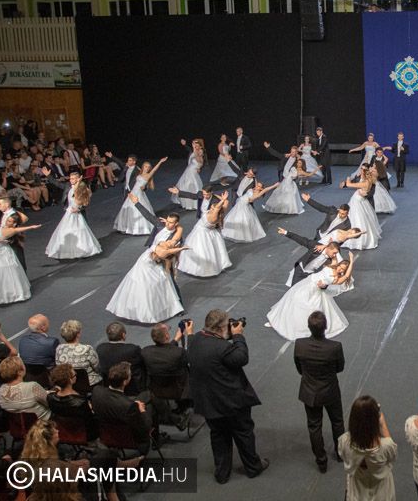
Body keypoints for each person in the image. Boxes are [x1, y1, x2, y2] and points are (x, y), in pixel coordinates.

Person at [188, 309, 268, 484]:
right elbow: (241, 358)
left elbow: (213, 347)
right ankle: (253, 467)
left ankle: (222, 473)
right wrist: (238, 336)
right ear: (219, 328)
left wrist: (229, 335)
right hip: (231, 402)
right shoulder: (223, 348)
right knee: (244, 434)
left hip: (208, 402)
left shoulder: (195, 340)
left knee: (219, 436)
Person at [106, 194, 186, 324]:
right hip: (149, 257)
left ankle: (178, 307)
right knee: (141, 283)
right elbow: (148, 216)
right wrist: (136, 203)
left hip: (164, 261)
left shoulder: (177, 236)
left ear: (176, 224)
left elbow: (174, 250)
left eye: (171, 222)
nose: (168, 224)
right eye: (167, 221)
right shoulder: (160, 226)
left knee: (170, 282)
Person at [294, 311, 346, 473]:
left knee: (314, 426)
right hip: (330, 391)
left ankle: (321, 461)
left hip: (310, 392)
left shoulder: (300, 345)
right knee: (337, 422)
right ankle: (340, 453)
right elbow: (340, 368)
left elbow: (299, 368)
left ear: (309, 327)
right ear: (326, 327)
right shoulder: (335, 347)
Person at [266, 253, 355, 340]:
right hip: (306, 284)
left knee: (308, 308)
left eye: (343, 270)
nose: (340, 270)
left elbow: (347, 276)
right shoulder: (333, 265)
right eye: (340, 267)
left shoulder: (337, 279)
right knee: (292, 299)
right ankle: (277, 321)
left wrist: (351, 261)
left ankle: (300, 329)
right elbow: (333, 254)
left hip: (315, 292)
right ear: (339, 265)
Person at [339, 395, 398, 501]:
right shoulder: (386, 446)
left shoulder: (344, 442)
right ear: (375, 421)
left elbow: (343, 455)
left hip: (356, 494)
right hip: (381, 494)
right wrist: (383, 424)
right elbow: (393, 454)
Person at [91, 361, 154, 456]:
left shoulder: (96, 391)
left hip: (105, 435)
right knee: (149, 405)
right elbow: (145, 427)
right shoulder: (130, 406)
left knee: (146, 395)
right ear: (125, 382)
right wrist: (142, 410)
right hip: (129, 439)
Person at [44, 170, 101, 259]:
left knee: (81, 230)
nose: (71, 180)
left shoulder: (82, 187)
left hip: (79, 212)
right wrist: (48, 176)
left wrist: (79, 209)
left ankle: (84, 249)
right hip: (69, 212)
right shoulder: (68, 186)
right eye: (70, 178)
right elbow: (57, 183)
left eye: (73, 178)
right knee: (66, 230)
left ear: (78, 179)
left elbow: (86, 201)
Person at [176, 191, 232, 278]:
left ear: (216, 210)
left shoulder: (213, 216)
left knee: (202, 251)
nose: (211, 209)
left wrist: (222, 200)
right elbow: (226, 203)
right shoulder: (221, 212)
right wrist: (222, 199)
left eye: (213, 209)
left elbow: (218, 207)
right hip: (209, 232)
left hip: (202, 234)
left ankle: (204, 270)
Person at [112, 157, 167, 235]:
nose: (147, 168)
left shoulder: (148, 175)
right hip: (132, 192)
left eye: (148, 167)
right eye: (145, 166)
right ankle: (126, 227)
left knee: (138, 209)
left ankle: (139, 229)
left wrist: (160, 162)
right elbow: (131, 166)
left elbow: (154, 170)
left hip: (139, 194)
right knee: (127, 208)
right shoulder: (139, 172)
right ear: (143, 167)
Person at [47, 363, 99, 441]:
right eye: (75, 375)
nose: (76, 376)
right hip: (84, 435)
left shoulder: (50, 398)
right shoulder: (81, 402)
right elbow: (90, 422)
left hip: (63, 432)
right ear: (70, 380)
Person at [96, 322, 146, 395]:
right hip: (132, 389)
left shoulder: (100, 348)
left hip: (109, 387)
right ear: (123, 335)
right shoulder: (133, 349)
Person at [0, 214, 36, 304]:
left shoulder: (11, 230)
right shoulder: (4, 228)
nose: (7, 222)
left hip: (2, 253)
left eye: (10, 221)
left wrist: (31, 227)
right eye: (8, 220)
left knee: (3, 272)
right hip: (0, 249)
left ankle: (10, 294)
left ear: (14, 224)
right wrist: (0, 240)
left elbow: (17, 230)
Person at [341, 166, 382, 250]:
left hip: (357, 202)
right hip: (360, 201)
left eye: (362, 171)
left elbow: (348, 184)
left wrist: (348, 177)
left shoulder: (365, 183)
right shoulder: (369, 181)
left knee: (356, 219)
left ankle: (357, 240)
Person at [262, 143, 308, 215]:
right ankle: (276, 205)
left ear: (296, 152)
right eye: (291, 151)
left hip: (289, 178)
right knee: (279, 191)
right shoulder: (286, 156)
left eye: (294, 152)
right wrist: (268, 147)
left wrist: (297, 176)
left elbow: (302, 168)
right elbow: (276, 154)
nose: (292, 153)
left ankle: (289, 207)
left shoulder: (297, 161)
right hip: (282, 175)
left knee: (288, 192)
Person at [54, 319, 101, 387]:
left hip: (66, 383)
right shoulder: (87, 349)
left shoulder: (59, 348)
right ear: (78, 334)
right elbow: (97, 368)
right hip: (88, 384)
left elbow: (58, 367)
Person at [170, 138, 204, 210]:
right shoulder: (193, 151)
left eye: (196, 143)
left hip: (193, 173)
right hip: (188, 171)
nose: (194, 145)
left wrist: (199, 168)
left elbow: (200, 161)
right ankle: (185, 204)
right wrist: (185, 145)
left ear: (200, 145)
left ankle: (193, 205)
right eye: (193, 143)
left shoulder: (200, 151)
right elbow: (189, 150)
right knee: (183, 187)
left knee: (191, 187)